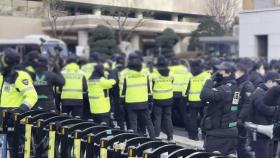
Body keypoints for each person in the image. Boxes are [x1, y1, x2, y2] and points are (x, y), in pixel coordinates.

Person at [0, 48, 38, 158]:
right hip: (4, 120)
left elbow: (32, 96)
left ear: (7, 60)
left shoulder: (20, 75)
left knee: (16, 153)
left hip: (16, 121)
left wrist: (20, 111)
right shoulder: (3, 75)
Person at [200, 62, 238, 156]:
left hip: (219, 133)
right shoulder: (233, 86)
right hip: (229, 130)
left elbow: (204, 94)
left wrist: (209, 81)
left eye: (220, 71)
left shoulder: (226, 89)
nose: (218, 73)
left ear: (228, 73)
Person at [120, 53, 155, 138]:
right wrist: (150, 100)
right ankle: (153, 139)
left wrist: (121, 101)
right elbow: (149, 89)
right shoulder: (145, 74)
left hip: (130, 103)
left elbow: (122, 90)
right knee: (148, 122)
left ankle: (135, 142)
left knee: (133, 123)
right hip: (143, 101)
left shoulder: (125, 74)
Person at [250, 71, 280, 158]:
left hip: (269, 133)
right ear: (270, 81)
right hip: (260, 134)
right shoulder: (259, 93)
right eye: (276, 83)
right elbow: (266, 110)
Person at [234, 63, 255, 158]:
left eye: (236, 71)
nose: (234, 73)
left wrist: (240, 119)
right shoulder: (239, 83)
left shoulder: (247, 85)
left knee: (242, 145)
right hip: (237, 117)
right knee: (238, 144)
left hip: (243, 120)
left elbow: (247, 104)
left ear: (242, 72)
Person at [186, 60, 211, 140]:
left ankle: (193, 136)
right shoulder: (206, 75)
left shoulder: (190, 75)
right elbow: (208, 87)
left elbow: (188, 87)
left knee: (193, 118)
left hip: (192, 99)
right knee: (204, 117)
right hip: (203, 99)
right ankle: (204, 135)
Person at [152, 56, 174, 141]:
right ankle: (170, 135)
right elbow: (172, 83)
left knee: (158, 117)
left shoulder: (154, 74)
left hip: (158, 99)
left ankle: (157, 135)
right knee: (168, 117)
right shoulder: (171, 74)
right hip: (168, 98)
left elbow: (151, 86)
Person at [169, 58, 192, 132]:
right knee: (183, 112)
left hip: (171, 93)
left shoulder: (170, 69)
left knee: (169, 112)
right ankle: (188, 128)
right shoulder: (186, 70)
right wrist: (185, 93)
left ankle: (169, 127)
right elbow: (189, 81)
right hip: (182, 94)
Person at [108, 55, 126, 130]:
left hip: (117, 97)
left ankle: (122, 133)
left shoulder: (113, 71)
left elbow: (111, 84)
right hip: (129, 97)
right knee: (130, 118)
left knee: (120, 117)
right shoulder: (128, 71)